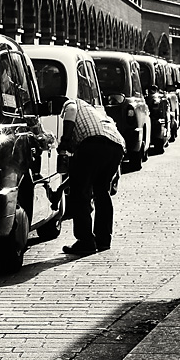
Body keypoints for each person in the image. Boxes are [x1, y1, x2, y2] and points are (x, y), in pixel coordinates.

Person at [58, 96, 126, 257]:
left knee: (79, 195)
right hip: (116, 145)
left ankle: (85, 241)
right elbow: (78, 175)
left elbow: (71, 110)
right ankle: (103, 239)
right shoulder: (95, 113)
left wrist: (64, 141)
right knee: (102, 191)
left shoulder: (71, 103)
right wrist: (59, 190)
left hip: (94, 143)